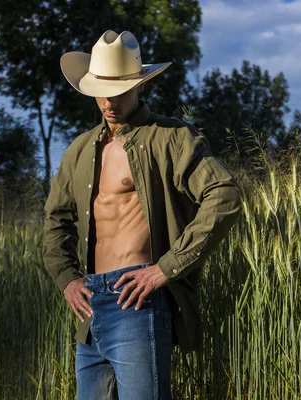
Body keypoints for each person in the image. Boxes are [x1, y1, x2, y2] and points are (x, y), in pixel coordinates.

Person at [43, 30, 241, 400]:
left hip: (136, 302)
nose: (109, 101)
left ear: (140, 86)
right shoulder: (79, 150)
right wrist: (67, 278)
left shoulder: (171, 137)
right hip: (89, 311)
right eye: (101, 90)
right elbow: (55, 221)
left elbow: (224, 194)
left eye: (120, 90)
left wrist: (164, 268)